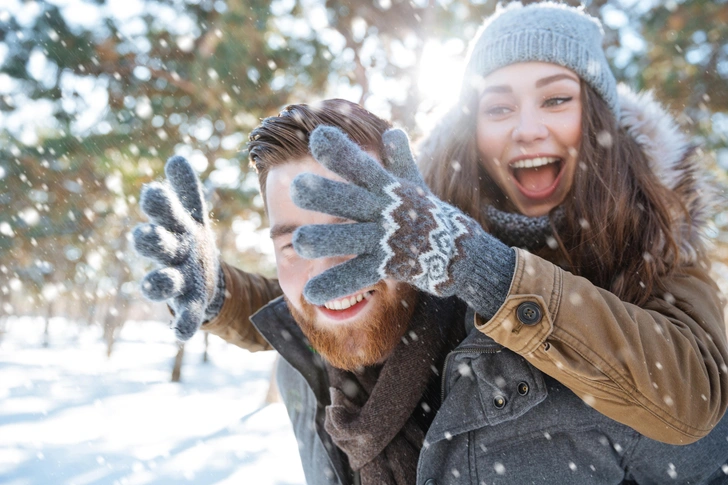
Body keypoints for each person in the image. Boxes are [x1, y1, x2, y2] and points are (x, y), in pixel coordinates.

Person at [134, 97, 728, 484]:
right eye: (296, 243)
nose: (327, 272)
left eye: (356, 228)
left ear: (414, 224)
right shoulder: (303, 376)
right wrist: (219, 294)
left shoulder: (569, 373)